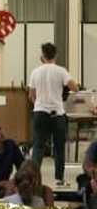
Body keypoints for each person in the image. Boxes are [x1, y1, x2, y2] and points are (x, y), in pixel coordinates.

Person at [29, 42, 77, 187]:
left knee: (38, 148)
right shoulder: (61, 71)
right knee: (59, 148)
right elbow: (73, 87)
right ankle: (59, 180)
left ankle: (34, 181)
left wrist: (40, 103)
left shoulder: (35, 72)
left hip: (40, 113)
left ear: (42, 56)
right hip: (58, 114)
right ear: (55, 55)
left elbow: (31, 95)